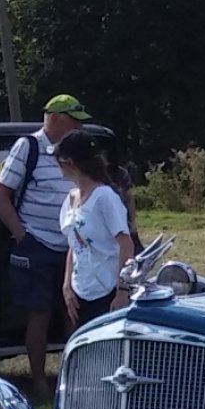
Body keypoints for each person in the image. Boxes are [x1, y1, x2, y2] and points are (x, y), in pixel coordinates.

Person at [0, 93, 91, 399]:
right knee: (40, 312)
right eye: (75, 121)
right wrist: (22, 236)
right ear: (57, 119)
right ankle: (39, 381)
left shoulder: (75, 151)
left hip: (72, 245)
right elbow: (1, 196)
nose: (79, 127)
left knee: (74, 311)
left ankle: (74, 379)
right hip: (37, 243)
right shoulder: (29, 146)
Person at [56, 130, 134, 329]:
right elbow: (73, 245)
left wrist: (122, 291)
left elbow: (126, 244)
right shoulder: (71, 198)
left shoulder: (104, 197)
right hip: (79, 290)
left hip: (106, 291)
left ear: (70, 163)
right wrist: (67, 286)